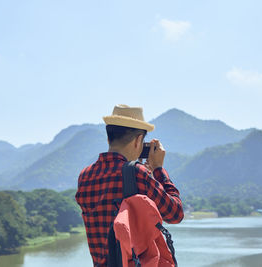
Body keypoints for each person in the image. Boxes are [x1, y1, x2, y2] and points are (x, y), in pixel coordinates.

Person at [75, 104, 184, 267]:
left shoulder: (85, 176)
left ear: (108, 138)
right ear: (139, 140)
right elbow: (175, 214)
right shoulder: (137, 173)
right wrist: (158, 170)